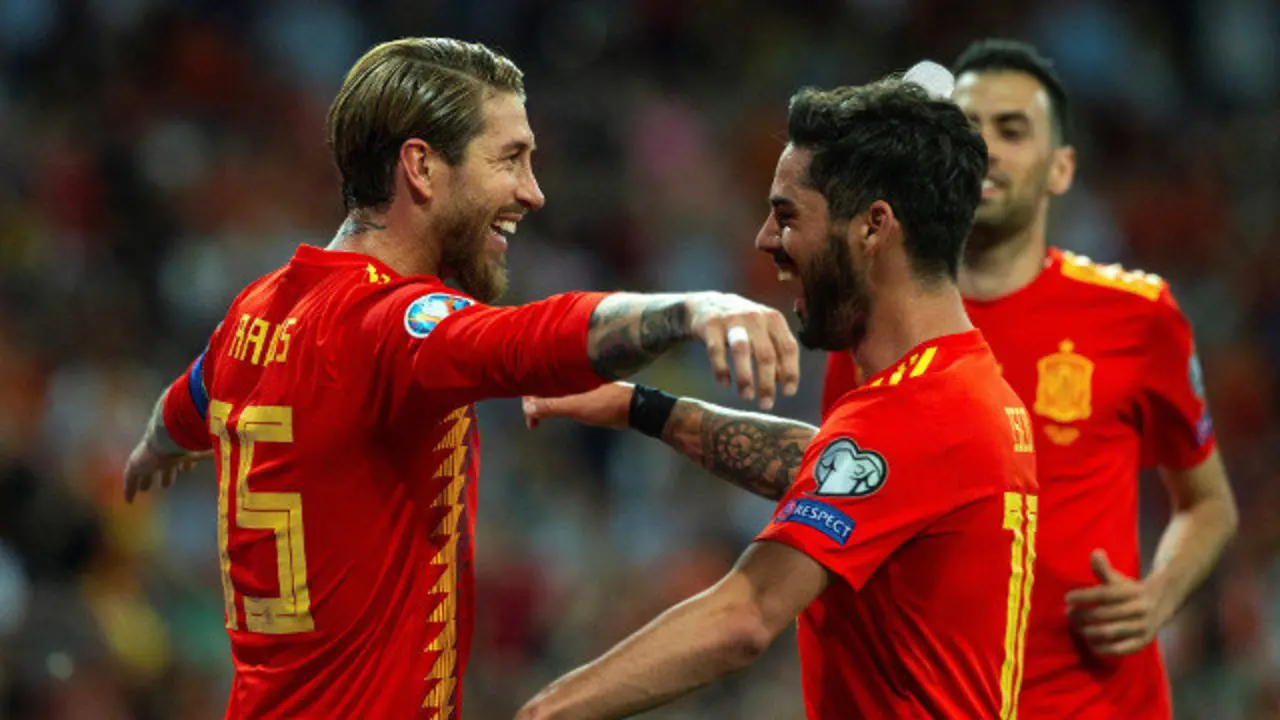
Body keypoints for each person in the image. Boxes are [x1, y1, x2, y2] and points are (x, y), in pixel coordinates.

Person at [119, 38, 801, 719]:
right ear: (421, 167)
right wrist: (691, 309)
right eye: (510, 159)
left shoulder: (256, 311)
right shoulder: (390, 321)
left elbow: (186, 407)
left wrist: (155, 449)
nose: (533, 192)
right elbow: (528, 341)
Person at [516, 68, 1038, 719]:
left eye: (787, 216)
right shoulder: (959, 389)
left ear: (873, 227)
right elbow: (837, 468)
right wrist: (641, 408)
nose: (765, 239)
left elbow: (744, 615)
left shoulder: (918, 411)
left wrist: (544, 712)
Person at [818, 40, 1238, 718]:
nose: (985, 148)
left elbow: (1209, 503)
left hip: (1100, 705)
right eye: (968, 127)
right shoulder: (872, 321)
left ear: (1061, 168)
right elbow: (846, 511)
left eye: (1012, 130)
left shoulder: (1137, 315)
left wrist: (1158, 595)